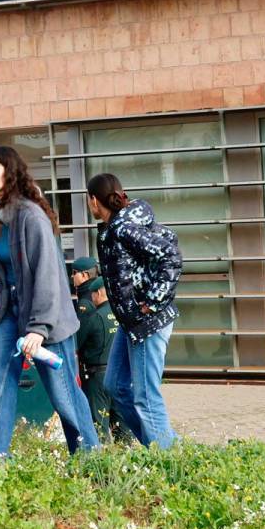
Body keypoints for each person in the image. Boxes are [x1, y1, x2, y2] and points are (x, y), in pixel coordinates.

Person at [0, 146, 100, 456]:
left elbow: (48, 274)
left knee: (64, 393)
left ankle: (91, 460)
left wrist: (38, 329)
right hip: (11, 311)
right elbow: (8, 271)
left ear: (8, 172)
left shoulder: (31, 215)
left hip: (48, 318)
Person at [86, 172, 181, 449]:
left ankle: (170, 459)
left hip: (147, 322)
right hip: (132, 323)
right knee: (115, 385)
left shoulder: (125, 228)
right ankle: (157, 447)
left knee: (146, 396)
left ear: (94, 201)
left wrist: (152, 301)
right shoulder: (114, 227)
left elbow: (170, 255)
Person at [69, 259, 128, 443]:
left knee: (98, 424)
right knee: (121, 423)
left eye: (74, 273)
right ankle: (128, 460)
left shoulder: (89, 311)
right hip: (118, 373)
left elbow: (77, 340)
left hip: (97, 376)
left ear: (100, 293)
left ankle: (102, 463)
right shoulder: (120, 313)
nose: (72, 277)